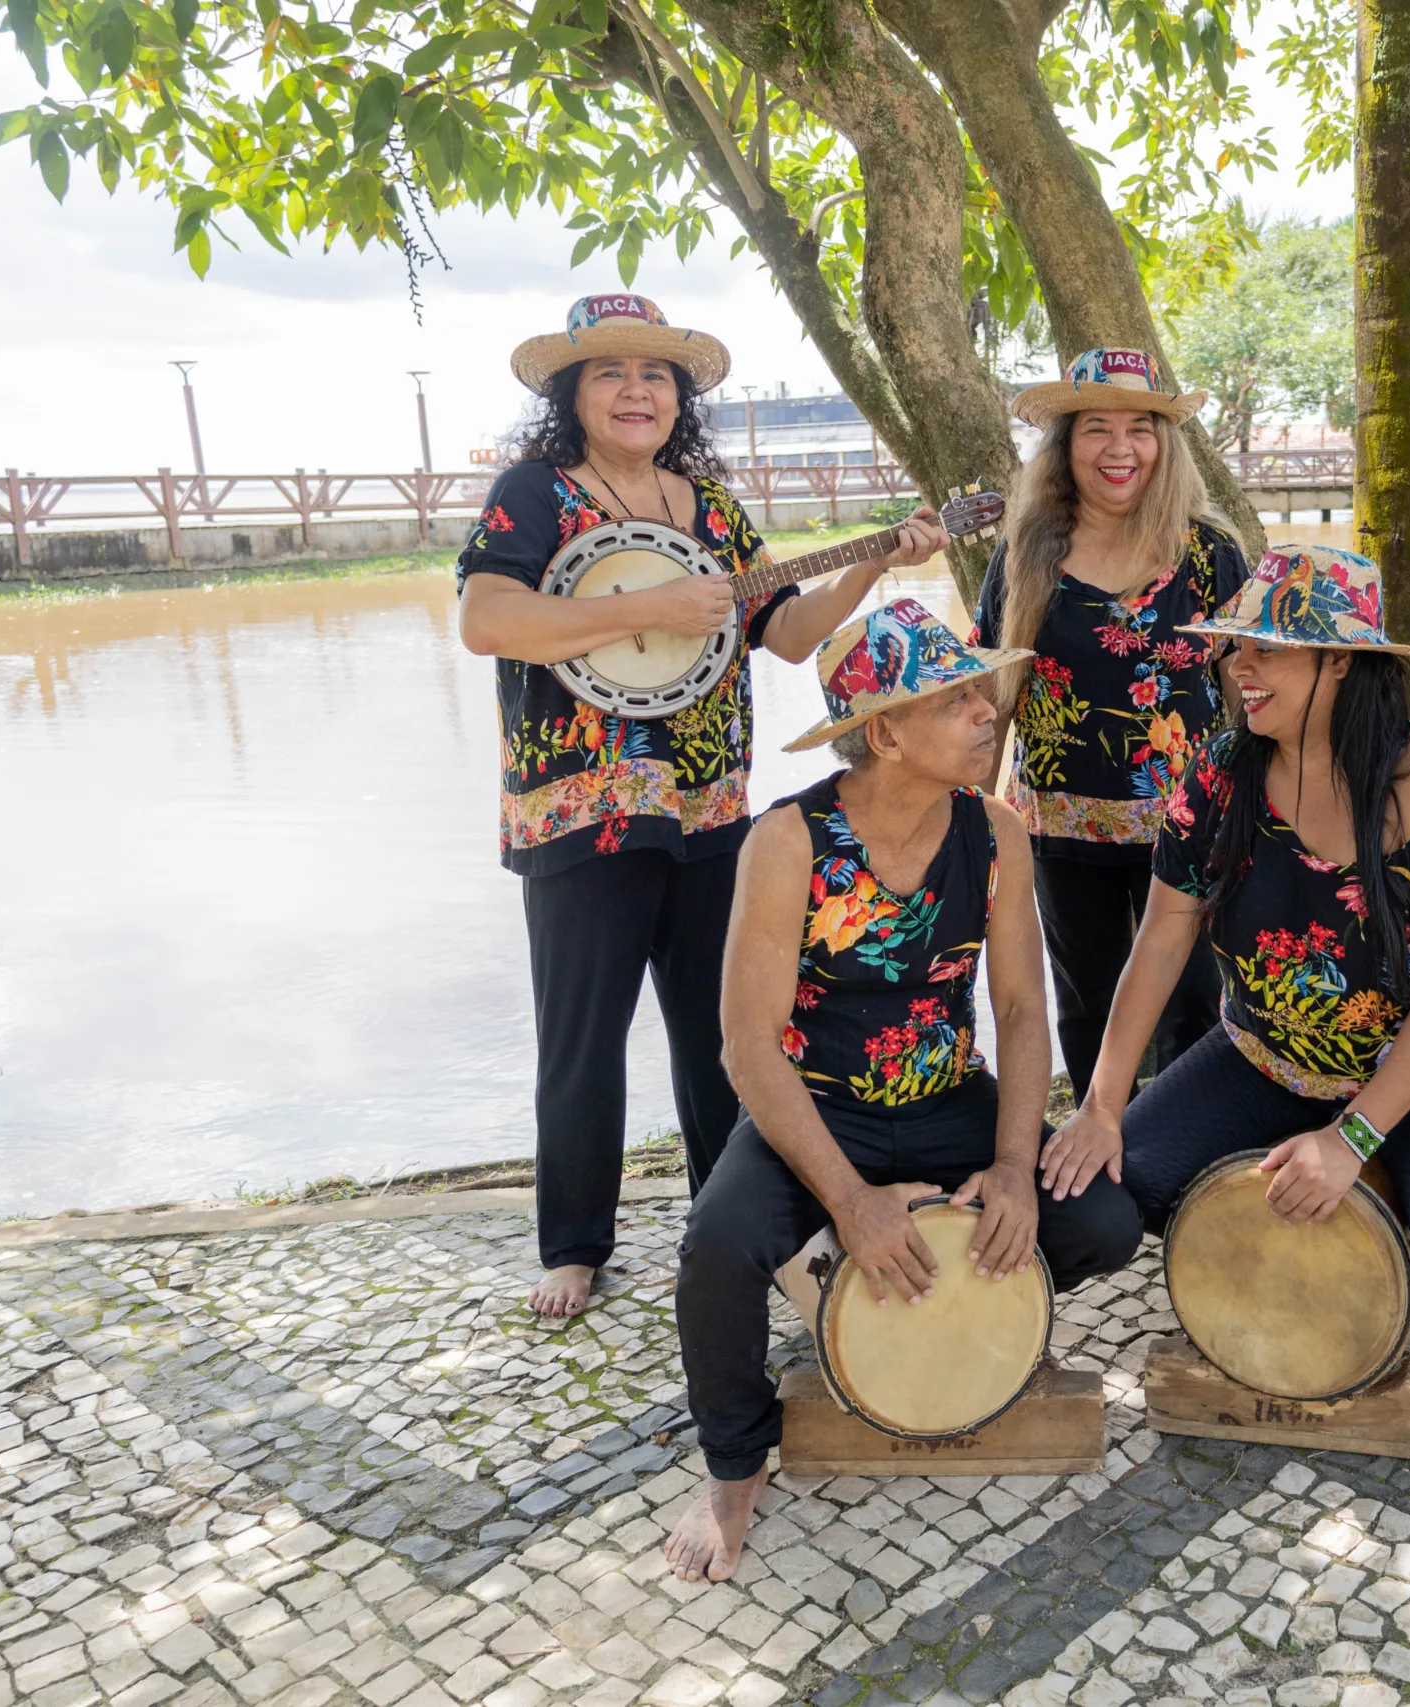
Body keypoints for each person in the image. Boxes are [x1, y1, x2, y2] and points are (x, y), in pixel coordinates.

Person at [457, 293, 946, 1320]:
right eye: (610, 373)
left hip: (709, 810)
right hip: (575, 812)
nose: (637, 391)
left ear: (681, 399)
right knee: (581, 1037)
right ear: (572, 394)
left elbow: (788, 633)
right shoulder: (535, 495)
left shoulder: (714, 511)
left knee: (726, 1035)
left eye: (657, 376)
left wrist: (870, 561)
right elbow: (487, 620)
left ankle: (732, 1228)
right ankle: (576, 1243)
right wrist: (651, 609)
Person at [666, 599, 1144, 1581]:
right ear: (883, 731)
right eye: (956, 698)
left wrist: (1012, 1167)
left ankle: (986, 1311)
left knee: (1098, 1220)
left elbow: (1017, 1014)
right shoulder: (788, 843)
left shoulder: (995, 831)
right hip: (818, 1108)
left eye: (981, 692)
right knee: (716, 1249)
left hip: (942, 1099)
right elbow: (747, 1048)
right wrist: (848, 1203)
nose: (985, 713)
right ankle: (731, 1467)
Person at [1046, 545, 1410, 1421]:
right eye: (1237, 648)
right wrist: (1103, 1103)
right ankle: (1303, 1225)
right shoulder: (1220, 771)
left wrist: (1350, 1139)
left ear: (1340, 659)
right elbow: (1160, 938)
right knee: (1100, 1204)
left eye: (1265, 649)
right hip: (1263, 1053)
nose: (1240, 669)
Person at [970, 348, 1248, 1097]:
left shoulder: (1208, 554)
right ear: (1065, 445)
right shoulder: (1025, 555)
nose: (1120, 449)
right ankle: (1099, 1170)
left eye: (1141, 427)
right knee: (1088, 1006)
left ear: (1166, 443)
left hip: (1192, 829)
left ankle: (1187, 1170)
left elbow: (1254, 692)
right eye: (1096, 428)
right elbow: (989, 698)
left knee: (1195, 1008)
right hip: (1062, 832)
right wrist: (966, 815)